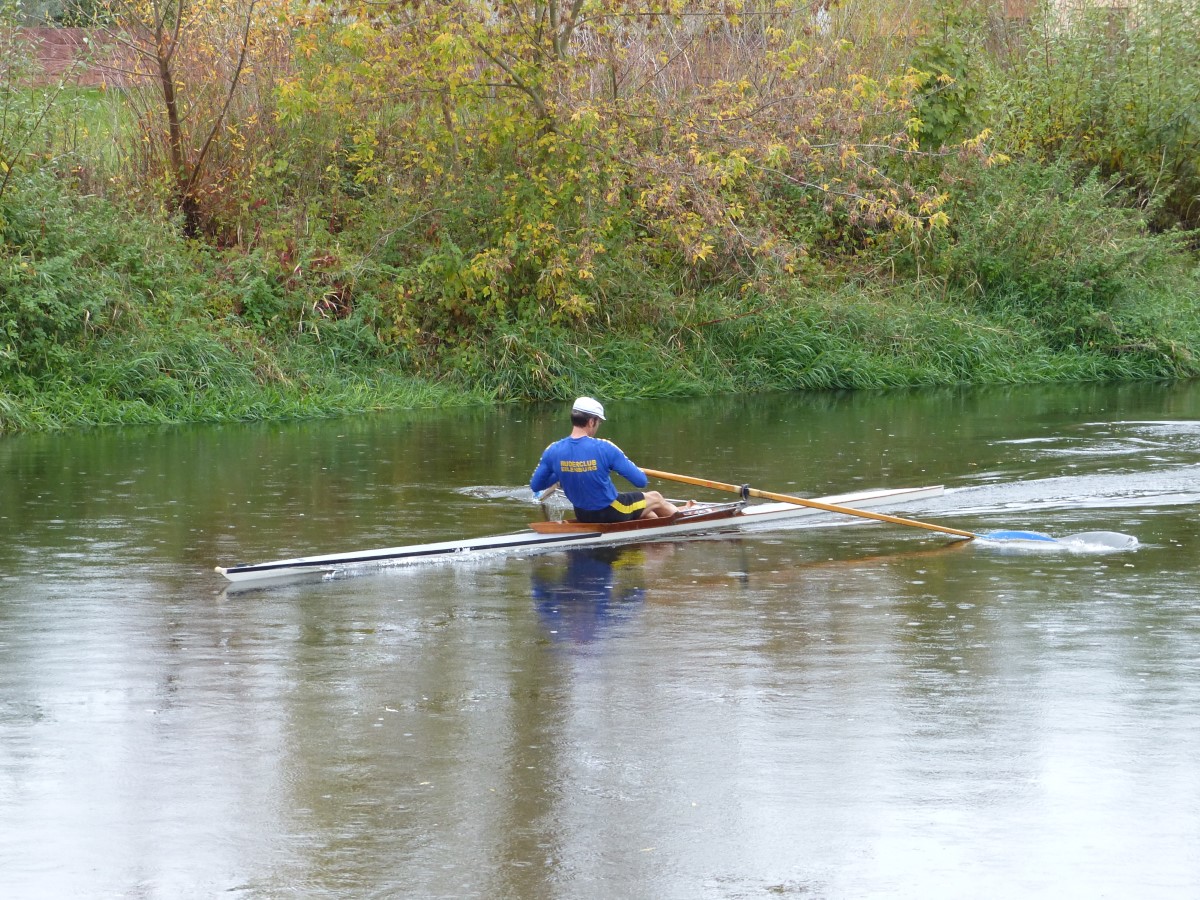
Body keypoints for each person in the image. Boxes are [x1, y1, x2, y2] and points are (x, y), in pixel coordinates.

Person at [530, 397, 682, 523]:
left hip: (583, 515)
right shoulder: (605, 448)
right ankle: (685, 522)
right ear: (592, 421)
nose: (598, 426)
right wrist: (632, 468)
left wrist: (562, 471)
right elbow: (641, 481)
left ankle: (654, 536)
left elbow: (536, 485)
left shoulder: (553, 450)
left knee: (649, 513)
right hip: (612, 511)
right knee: (655, 497)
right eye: (599, 422)